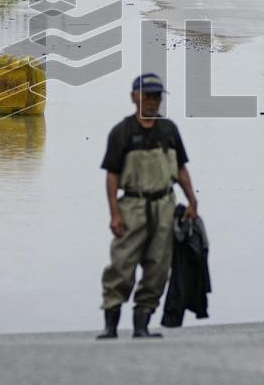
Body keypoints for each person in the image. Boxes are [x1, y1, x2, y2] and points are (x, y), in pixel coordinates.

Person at [97, 73, 198, 340]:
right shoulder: (122, 132)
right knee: (121, 265)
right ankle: (111, 326)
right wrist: (114, 214)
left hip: (164, 206)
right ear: (134, 97)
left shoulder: (169, 130)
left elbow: (180, 168)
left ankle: (141, 325)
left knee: (158, 269)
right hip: (132, 206)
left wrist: (192, 200)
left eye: (156, 96)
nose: (152, 102)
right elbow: (112, 175)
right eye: (147, 96)